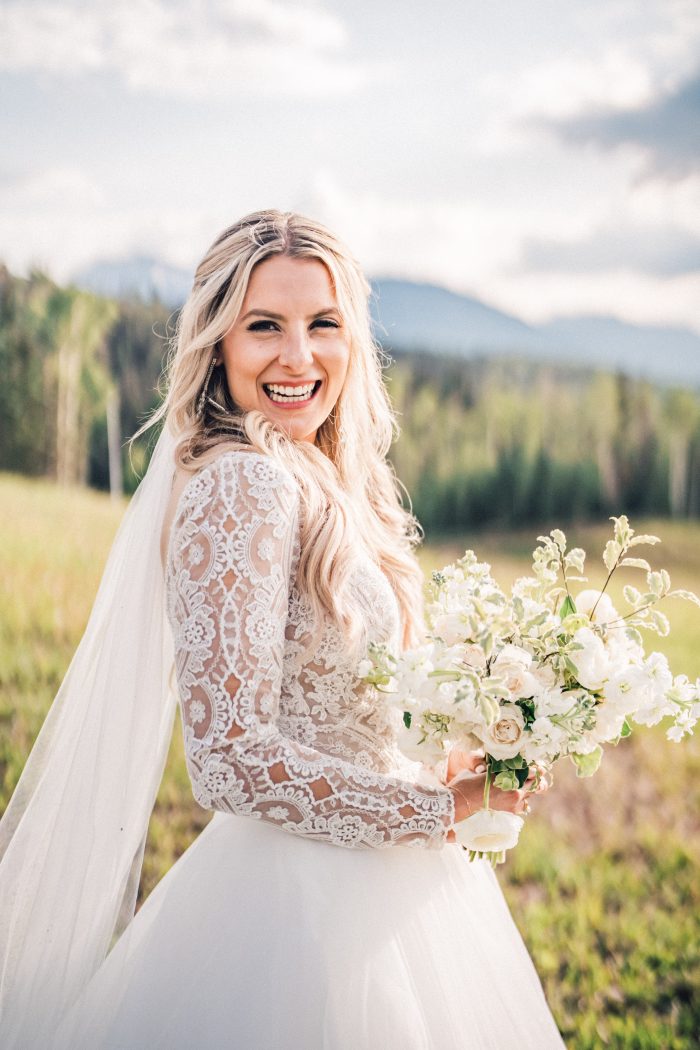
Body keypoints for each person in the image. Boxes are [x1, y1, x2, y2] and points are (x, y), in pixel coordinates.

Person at [0, 210, 565, 1048]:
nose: (298, 356)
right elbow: (228, 758)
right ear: (217, 342)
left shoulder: (319, 479)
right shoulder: (245, 486)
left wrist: (447, 749)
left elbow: (338, 698)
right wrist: (437, 811)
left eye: (323, 324)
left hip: (388, 888)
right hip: (299, 913)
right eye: (264, 325)